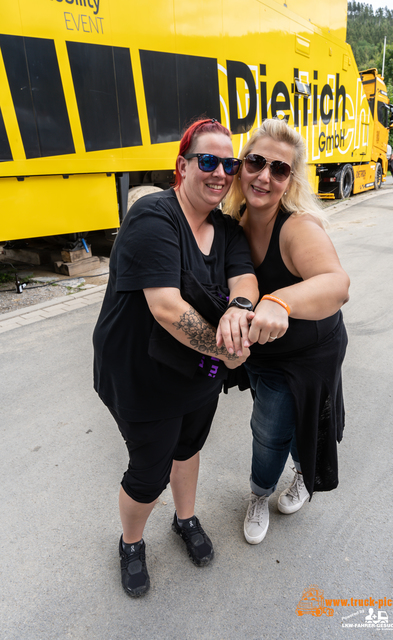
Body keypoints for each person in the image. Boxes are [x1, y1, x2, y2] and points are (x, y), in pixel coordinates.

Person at [93, 118, 258, 595]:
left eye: (229, 163)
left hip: (195, 372)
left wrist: (242, 306)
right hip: (139, 374)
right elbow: (166, 308)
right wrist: (228, 352)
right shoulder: (155, 217)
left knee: (188, 447)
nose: (220, 172)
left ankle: (185, 519)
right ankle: (131, 542)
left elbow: (243, 278)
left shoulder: (225, 229)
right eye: (208, 161)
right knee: (149, 471)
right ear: (182, 167)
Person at [223, 118, 350, 545]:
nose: (265, 176)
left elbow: (337, 284)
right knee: (278, 418)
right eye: (256, 162)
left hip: (310, 350)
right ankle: (274, 483)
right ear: (241, 165)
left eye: (279, 169)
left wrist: (280, 301)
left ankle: (264, 491)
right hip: (264, 351)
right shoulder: (234, 220)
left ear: (290, 180)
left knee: (276, 427)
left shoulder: (297, 227)